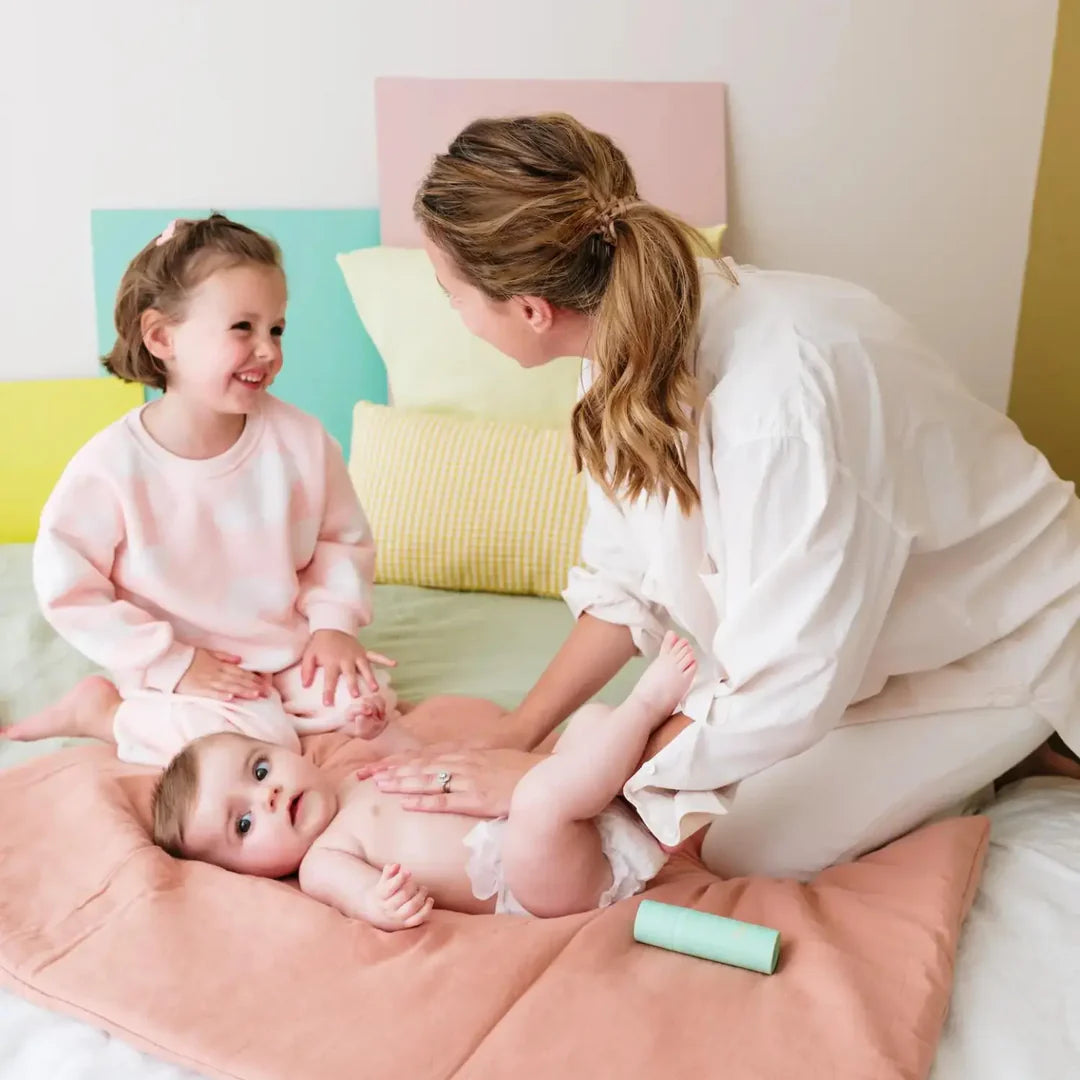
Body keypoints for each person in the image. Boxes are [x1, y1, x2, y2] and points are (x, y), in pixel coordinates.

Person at [365, 113, 1080, 880]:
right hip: (851, 629)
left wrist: (556, 785)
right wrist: (521, 731)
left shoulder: (777, 411)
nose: (455, 314)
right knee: (680, 796)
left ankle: (1026, 737)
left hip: (998, 632)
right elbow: (624, 583)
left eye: (452, 296)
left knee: (734, 849)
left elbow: (789, 683)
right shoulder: (619, 347)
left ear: (533, 309)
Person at [4, 214, 396, 766]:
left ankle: (291, 713)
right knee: (242, 747)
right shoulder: (111, 466)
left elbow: (339, 542)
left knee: (364, 698)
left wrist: (333, 627)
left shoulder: (302, 442)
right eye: (243, 328)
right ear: (162, 337)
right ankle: (102, 712)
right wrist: (172, 662)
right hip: (176, 667)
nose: (268, 350)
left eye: (276, 329)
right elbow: (71, 587)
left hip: (282, 649)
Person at [150, 633, 697, 927]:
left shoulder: (346, 775)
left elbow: (431, 768)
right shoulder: (322, 862)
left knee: (587, 723)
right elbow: (360, 898)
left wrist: (384, 731)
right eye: (243, 823)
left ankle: (625, 769)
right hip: (534, 882)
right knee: (542, 798)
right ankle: (647, 705)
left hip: (553, 828)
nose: (267, 795)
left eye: (261, 769)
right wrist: (380, 902)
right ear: (245, 872)